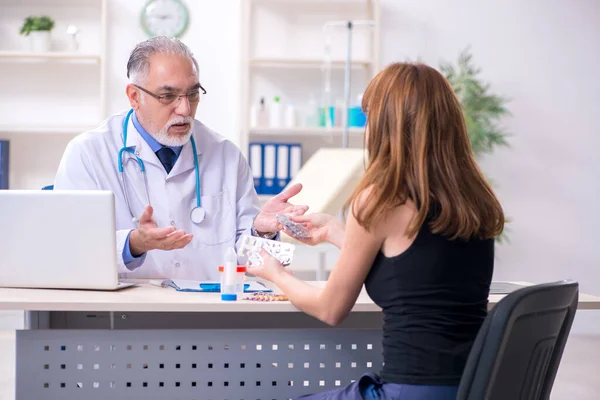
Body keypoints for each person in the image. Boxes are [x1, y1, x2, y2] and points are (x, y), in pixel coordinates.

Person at [248, 62, 505, 400]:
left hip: (406, 391)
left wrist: (274, 274)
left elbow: (330, 309)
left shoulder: (381, 200)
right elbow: (417, 269)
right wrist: (336, 233)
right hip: (468, 390)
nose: (366, 130)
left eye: (369, 118)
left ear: (387, 127)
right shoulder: (474, 198)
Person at [54, 36, 306, 281]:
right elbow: (70, 250)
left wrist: (261, 230)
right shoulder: (88, 154)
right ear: (134, 96)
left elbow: (246, 261)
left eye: (193, 94)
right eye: (168, 96)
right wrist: (134, 243)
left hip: (209, 313)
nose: (185, 109)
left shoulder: (226, 156)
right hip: (124, 314)